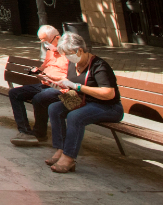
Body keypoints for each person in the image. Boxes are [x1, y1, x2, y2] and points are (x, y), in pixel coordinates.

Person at [46, 33, 123, 173]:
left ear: (80, 50)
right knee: (54, 108)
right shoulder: (72, 64)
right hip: (83, 102)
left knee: (75, 117)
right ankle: (61, 148)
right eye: (65, 54)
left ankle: (69, 158)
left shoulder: (99, 66)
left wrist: (78, 87)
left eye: (69, 53)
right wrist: (60, 85)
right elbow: (72, 85)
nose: (68, 57)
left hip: (108, 106)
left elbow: (109, 94)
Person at [9, 25, 66, 147]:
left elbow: (71, 77)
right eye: (42, 41)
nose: (44, 44)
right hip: (45, 84)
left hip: (60, 88)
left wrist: (52, 78)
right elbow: (44, 67)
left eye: (45, 41)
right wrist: (37, 71)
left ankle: (40, 133)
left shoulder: (68, 52)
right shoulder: (50, 52)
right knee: (14, 93)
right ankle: (25, 132)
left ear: (56, 38)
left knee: (39, 98)